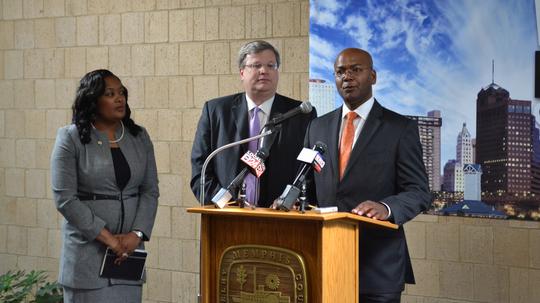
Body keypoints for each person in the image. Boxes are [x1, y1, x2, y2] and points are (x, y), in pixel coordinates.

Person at [304, 48, 432, 302]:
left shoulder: (400, 128)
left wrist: (386, 207)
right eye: (340, 72)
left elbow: (419, 192)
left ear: (372, 76)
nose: (347, 77)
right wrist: (290, 201)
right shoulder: (317, 126)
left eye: (356, 70)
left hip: (377, 266)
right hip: (325, 259)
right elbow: (307, 181)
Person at [50, 69, 159, 302]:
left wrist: (136, 235)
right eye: (110, 94)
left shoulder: (139, 137)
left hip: (128, 256)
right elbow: (65, 199)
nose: (119, 98)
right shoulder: (70, 138)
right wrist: (110, 240)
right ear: (92, 100)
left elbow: (150, 191)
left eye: (121, 92)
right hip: (86, 257)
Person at [191, 40, 316, 207]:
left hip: (283, 219)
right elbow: (201, 168)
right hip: (227, 217)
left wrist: (292, 202)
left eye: (271, 66)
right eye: (256, 65)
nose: (264, 71)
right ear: (242, 72)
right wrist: (225, 204)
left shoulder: (299, 114)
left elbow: (309, 171)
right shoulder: (216, 111)